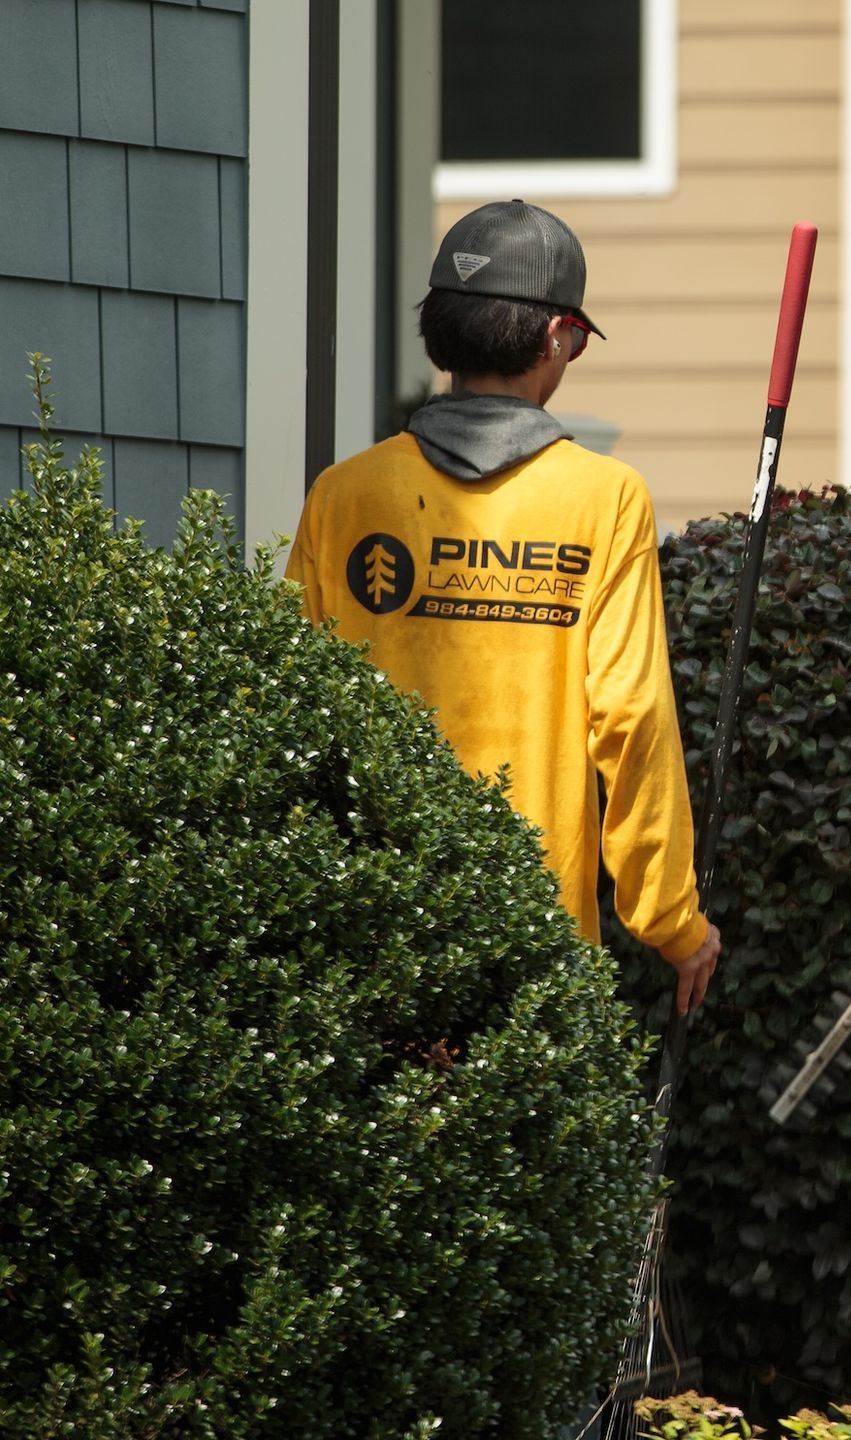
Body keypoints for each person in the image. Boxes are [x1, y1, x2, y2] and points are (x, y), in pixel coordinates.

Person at [287, 199, 720, 1014]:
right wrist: (673, 921)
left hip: (365, 942)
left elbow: (287, 715)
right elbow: (630, 717)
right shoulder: (606, 499)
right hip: (534, 949)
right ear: (558, 338)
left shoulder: (345, 497)